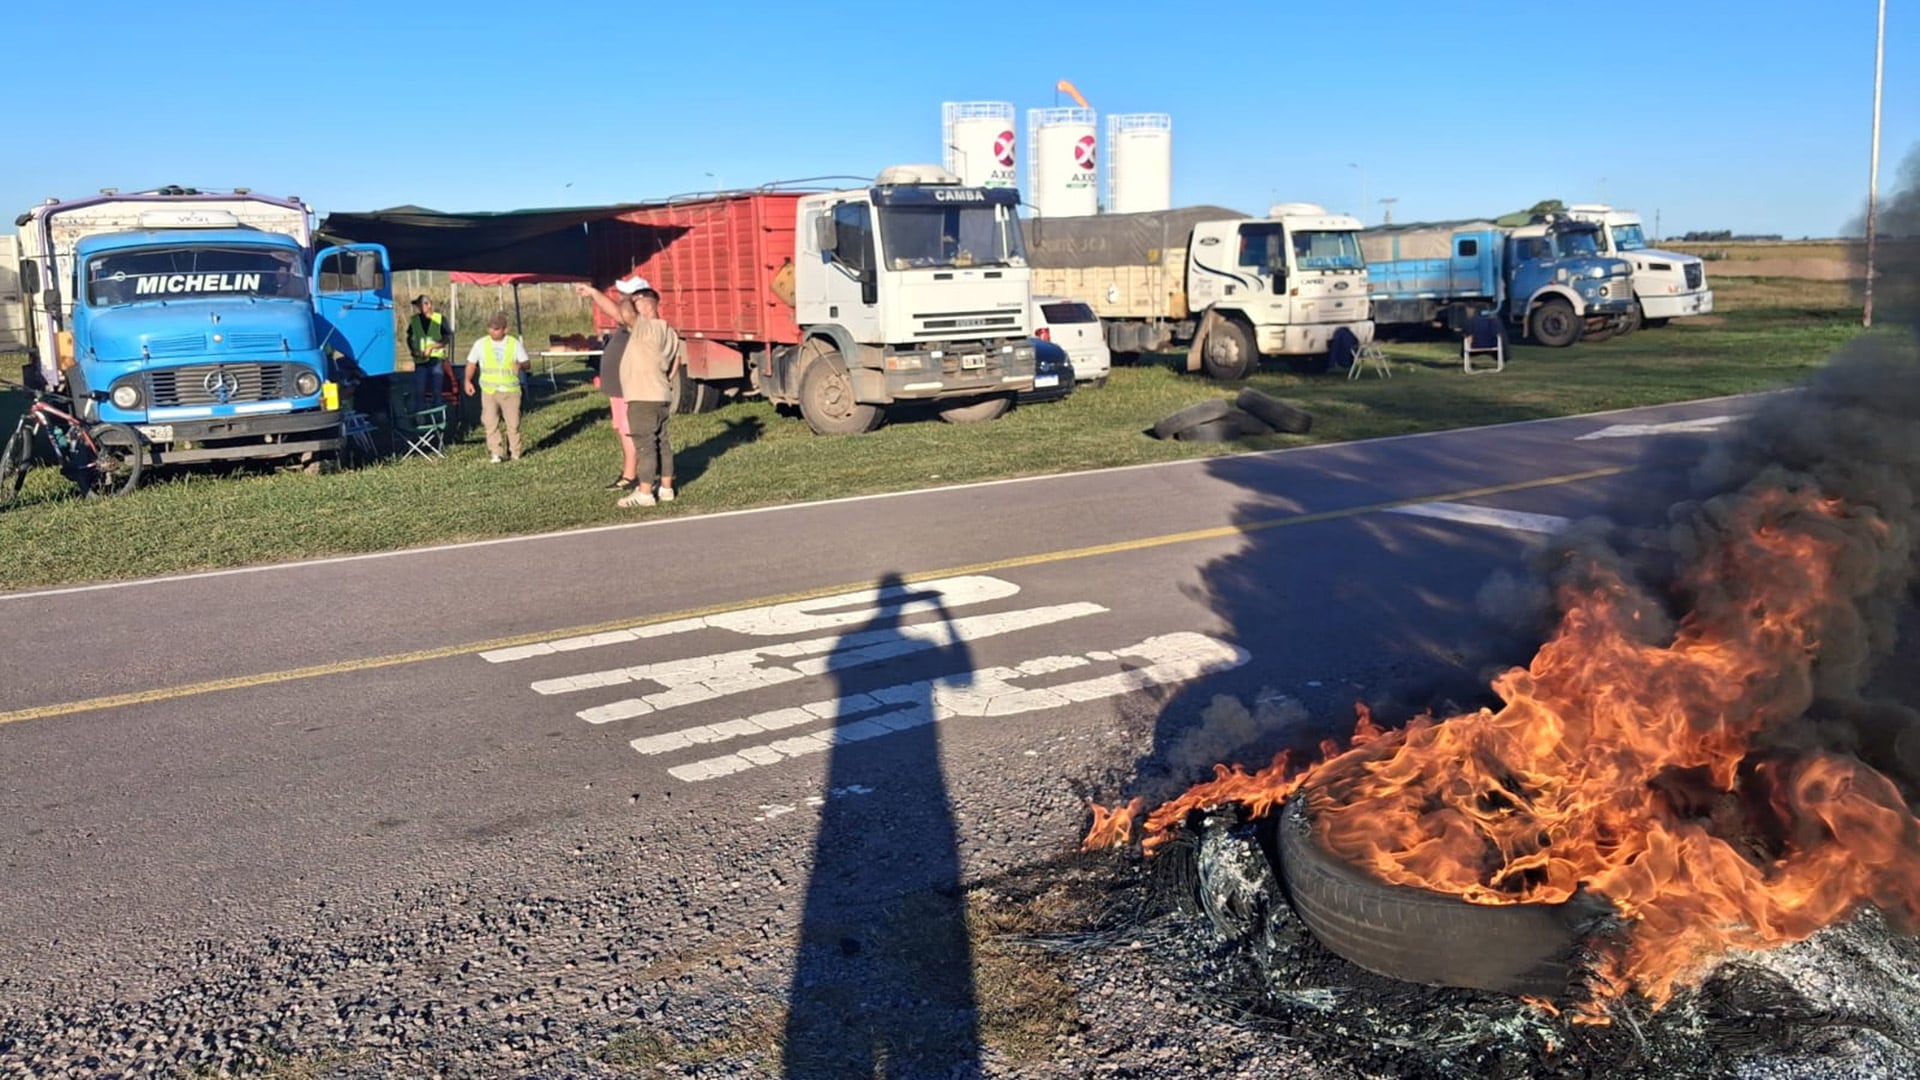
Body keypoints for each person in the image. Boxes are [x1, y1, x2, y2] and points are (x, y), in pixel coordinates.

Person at [574, 279, 682, 506]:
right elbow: (676, 361)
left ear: (644, 305)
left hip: (642, 396)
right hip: (659, 393)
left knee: (644, 444)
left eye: (634, 300)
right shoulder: (667, 330)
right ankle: (666, 489)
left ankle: (643, 492)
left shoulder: (644, 327)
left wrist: (627, 298)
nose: (629, 305)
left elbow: (623, 313)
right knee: (662, 444)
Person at [463, 311, 531, 462]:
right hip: (489, 391)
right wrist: (467, 380)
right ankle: (496, 452)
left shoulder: (514, 344)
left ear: (505, 329)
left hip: (510, 391)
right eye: (490, 328)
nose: (493, 331)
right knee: (490, 422)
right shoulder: (480, 344)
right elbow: (471, 363)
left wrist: (520, 365)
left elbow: (528, 364)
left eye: (496, 328)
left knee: (513, 424)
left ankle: (515, 452)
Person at [598, 279, 642, 491]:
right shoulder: (625, 324)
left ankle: (630, 475)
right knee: (621, 429)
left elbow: (616, 312)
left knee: (628, 430)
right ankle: (631, 471)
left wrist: (592, 293)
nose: (620, 299)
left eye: (625, 295)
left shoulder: (635, 321)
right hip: (617, 388)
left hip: (627, 387)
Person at [405, 295, 453, 411]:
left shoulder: (440, 319)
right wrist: (413, 350)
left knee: (437, 392)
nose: (419, 307)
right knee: (419, 392)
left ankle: (439, 418)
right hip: (420, 360)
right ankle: (421, 419)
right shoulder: (414, 320)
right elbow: (409, 337)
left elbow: (446, 339)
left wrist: (432, 347)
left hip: (436, 360)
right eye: (418, 305)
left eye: (421, 304)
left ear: (429, 305)